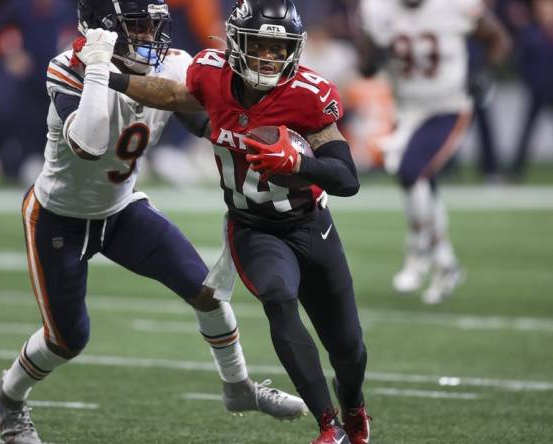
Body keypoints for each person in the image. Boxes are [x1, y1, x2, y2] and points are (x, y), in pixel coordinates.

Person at [0, 1, 307, 443]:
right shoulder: (68, 68)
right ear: (101, 27)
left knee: (207, 293)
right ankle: (8, 395)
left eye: (154, 25)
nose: (149, 36)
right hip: (59, 217)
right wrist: (98, 66)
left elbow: (208, 122)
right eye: (137, 24)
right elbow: (91, 143)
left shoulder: (173, 64)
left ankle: (239, 387)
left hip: (121, 209)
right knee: (67, 339)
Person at [102, 1, 371, 442]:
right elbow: (171, 96)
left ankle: (354, 406)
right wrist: (106, 77)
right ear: (237, 43)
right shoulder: (212, 74)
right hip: (254, 227)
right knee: (277, 296)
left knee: (347, 348)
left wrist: (298, 163)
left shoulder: (308, 94)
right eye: (260, 45)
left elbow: (347, 179)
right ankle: (329, 426)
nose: (268, 56)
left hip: (310, 224)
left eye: (277, 47)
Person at [357, 0, 511, 304]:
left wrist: (483, 72)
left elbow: (499, 39)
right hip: (407, 112)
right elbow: (366, 64)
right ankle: (446, 263)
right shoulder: (378, 9)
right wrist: (373, 56)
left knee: (411, 171)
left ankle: (417, 252)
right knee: (421, 183)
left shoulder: (453, 5)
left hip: (448, 107)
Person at [510, 0, 553, 182]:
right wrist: (533, 84)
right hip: (538, 91)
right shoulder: (531, 34)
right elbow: (523, 63)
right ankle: (516, 171)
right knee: (526, 132)